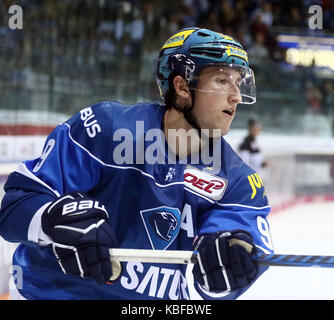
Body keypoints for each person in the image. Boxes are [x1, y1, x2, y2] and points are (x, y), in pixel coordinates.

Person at [0, 27, 274, 300]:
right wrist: (52, 218)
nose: (236, 96)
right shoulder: (107, 128)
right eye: (222, 80)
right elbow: (15, 209)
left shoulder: (238, 181)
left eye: (238, 82)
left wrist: (229, 266)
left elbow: (219, 285)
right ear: (181, 86)